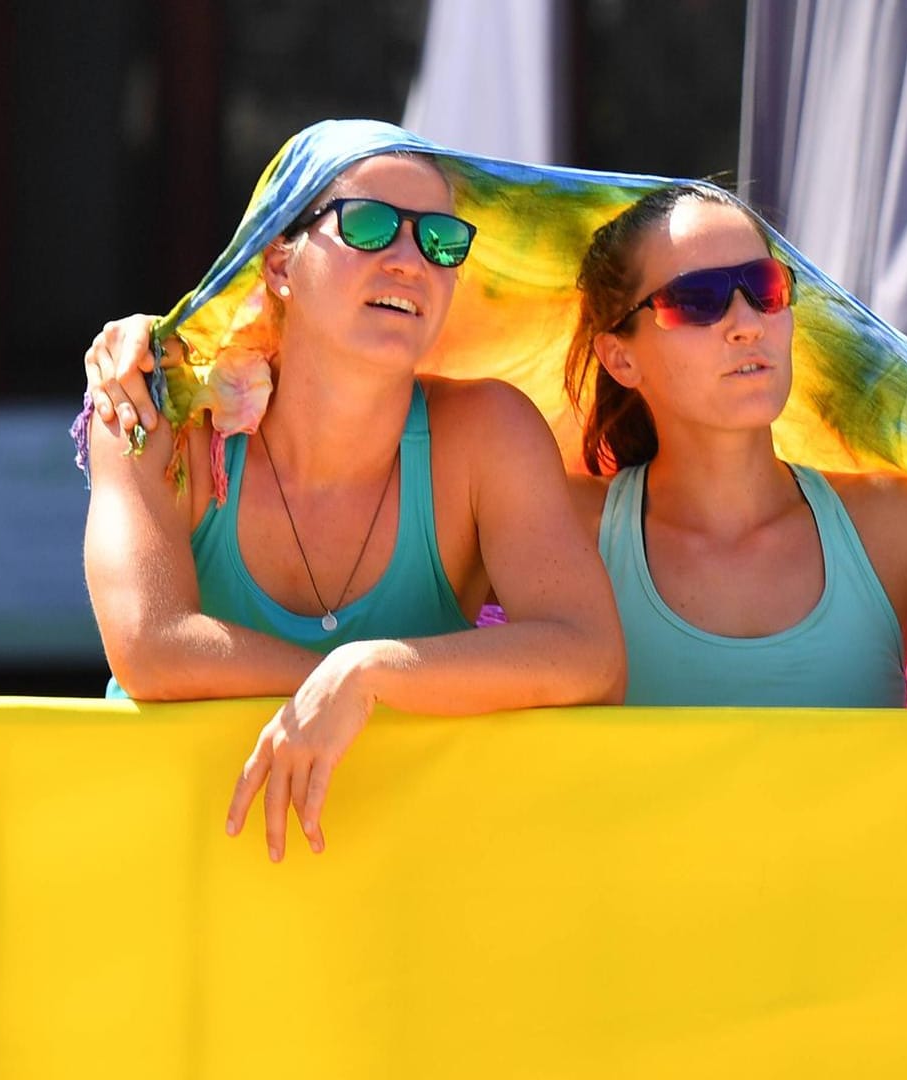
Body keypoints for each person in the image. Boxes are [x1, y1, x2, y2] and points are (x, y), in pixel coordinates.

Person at [90, 176, 907, 710]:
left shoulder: (895, 523)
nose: (747, 322)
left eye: (766, 290)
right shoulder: (559, 516)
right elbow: (366, 396)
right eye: (697, 300)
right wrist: (198, 354)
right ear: (620, 350)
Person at [82, 152, 624, 864]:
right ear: (280, 263)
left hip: (401, 879)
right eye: (369, 225)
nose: (410, 259)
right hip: (173, 859)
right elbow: (150, 647)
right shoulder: (159, 407)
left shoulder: (488, 433)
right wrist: (341, 678)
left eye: (441, 242)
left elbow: (591, 659)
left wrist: (369, 673)